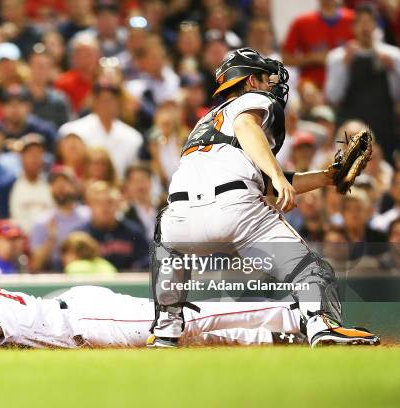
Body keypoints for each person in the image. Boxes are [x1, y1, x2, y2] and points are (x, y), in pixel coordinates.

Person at [149, 47, 379, 348]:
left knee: (164, 237)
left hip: (181, 217)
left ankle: (166, 329)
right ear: (249, 81)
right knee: (308, 269)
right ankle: (321, 324)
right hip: (238, 211)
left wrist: (325, 177)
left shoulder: (204, 124)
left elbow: (263, 182)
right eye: (265, 78)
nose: (272, 84)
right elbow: (248, 131)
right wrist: (279, 175)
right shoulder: (251, 101)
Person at [0, 249, 306, 352]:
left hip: (90, 318)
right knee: (188, 331)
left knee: (183, 322)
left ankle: (299, 314)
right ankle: (279, 333)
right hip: (75, 321)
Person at [325, 3, 400, 164]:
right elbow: (332, 96)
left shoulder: (393, 55)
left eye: (369, 22)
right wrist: (345, 66)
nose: (365, 28)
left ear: (376, 26)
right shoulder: (338, 57)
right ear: (353, 27)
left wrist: (393, 71)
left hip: (383, 126)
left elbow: (397, 96)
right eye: (361, 23)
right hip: (350, 125)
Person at [59, 82, 143, 177]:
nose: (106, 105)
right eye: (102, 100)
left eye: (111, 100)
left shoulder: (133, 137)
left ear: (119, 103)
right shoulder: (73, 130)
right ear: (94, 102)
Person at [282, 0, 354, 89]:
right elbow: (286, 59)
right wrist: (312, 58)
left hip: (347, 84)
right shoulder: (301, 22)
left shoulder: (353, 19)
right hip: (312, 86)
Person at [81, 181, 149, 270]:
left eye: (109, 202)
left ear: (117, 204)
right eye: (99, 202)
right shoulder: (81, 236)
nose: (105, 207)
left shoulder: (133, 232)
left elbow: (146, 261)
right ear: (89, 205)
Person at [9, 133, 54, 234]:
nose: (34, 158)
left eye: (38, 153)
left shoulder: (51, 184)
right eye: (29, 153)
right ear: (21, 157)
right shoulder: (8, 185)